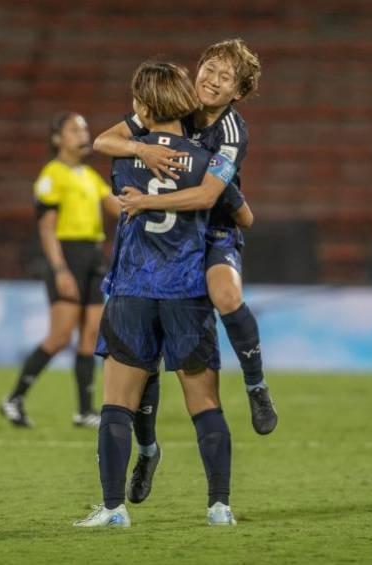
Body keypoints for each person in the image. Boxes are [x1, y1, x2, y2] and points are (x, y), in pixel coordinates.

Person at [93, 38, 276, 506]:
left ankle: (256, 386)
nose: (211, 80)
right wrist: (144, 149)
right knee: (144, 368)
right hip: (157, 262)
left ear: (238, 92)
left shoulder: (232, 131)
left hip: (210, 233)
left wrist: (146, 197)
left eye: (224, 77)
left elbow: (213, 199)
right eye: (208, 69)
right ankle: (150, 451)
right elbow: (104, 139)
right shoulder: (178, 107)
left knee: (227, 297)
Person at [74, 60, 238, 528]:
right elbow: (239, 214)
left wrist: (141, 145)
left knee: (116, 406)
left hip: (133, 291)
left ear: (144, 106)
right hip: (187, 292)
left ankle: (112, 508)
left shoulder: (126, 154)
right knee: (205, 405)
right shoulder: (208, 160)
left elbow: (112, 149)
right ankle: (219, 506)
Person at [0, 112, 121, 428]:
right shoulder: (51, 176)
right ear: (57, 139)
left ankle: (84, 411)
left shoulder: (89, 176)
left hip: (93, 256)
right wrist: (59, 269)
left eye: (84, 127)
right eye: (74, 129)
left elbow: (121, 210)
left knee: (91, 334)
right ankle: (14, 398)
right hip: (66, 256)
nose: (82, 133)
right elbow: (46, 229)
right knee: (60, 335)